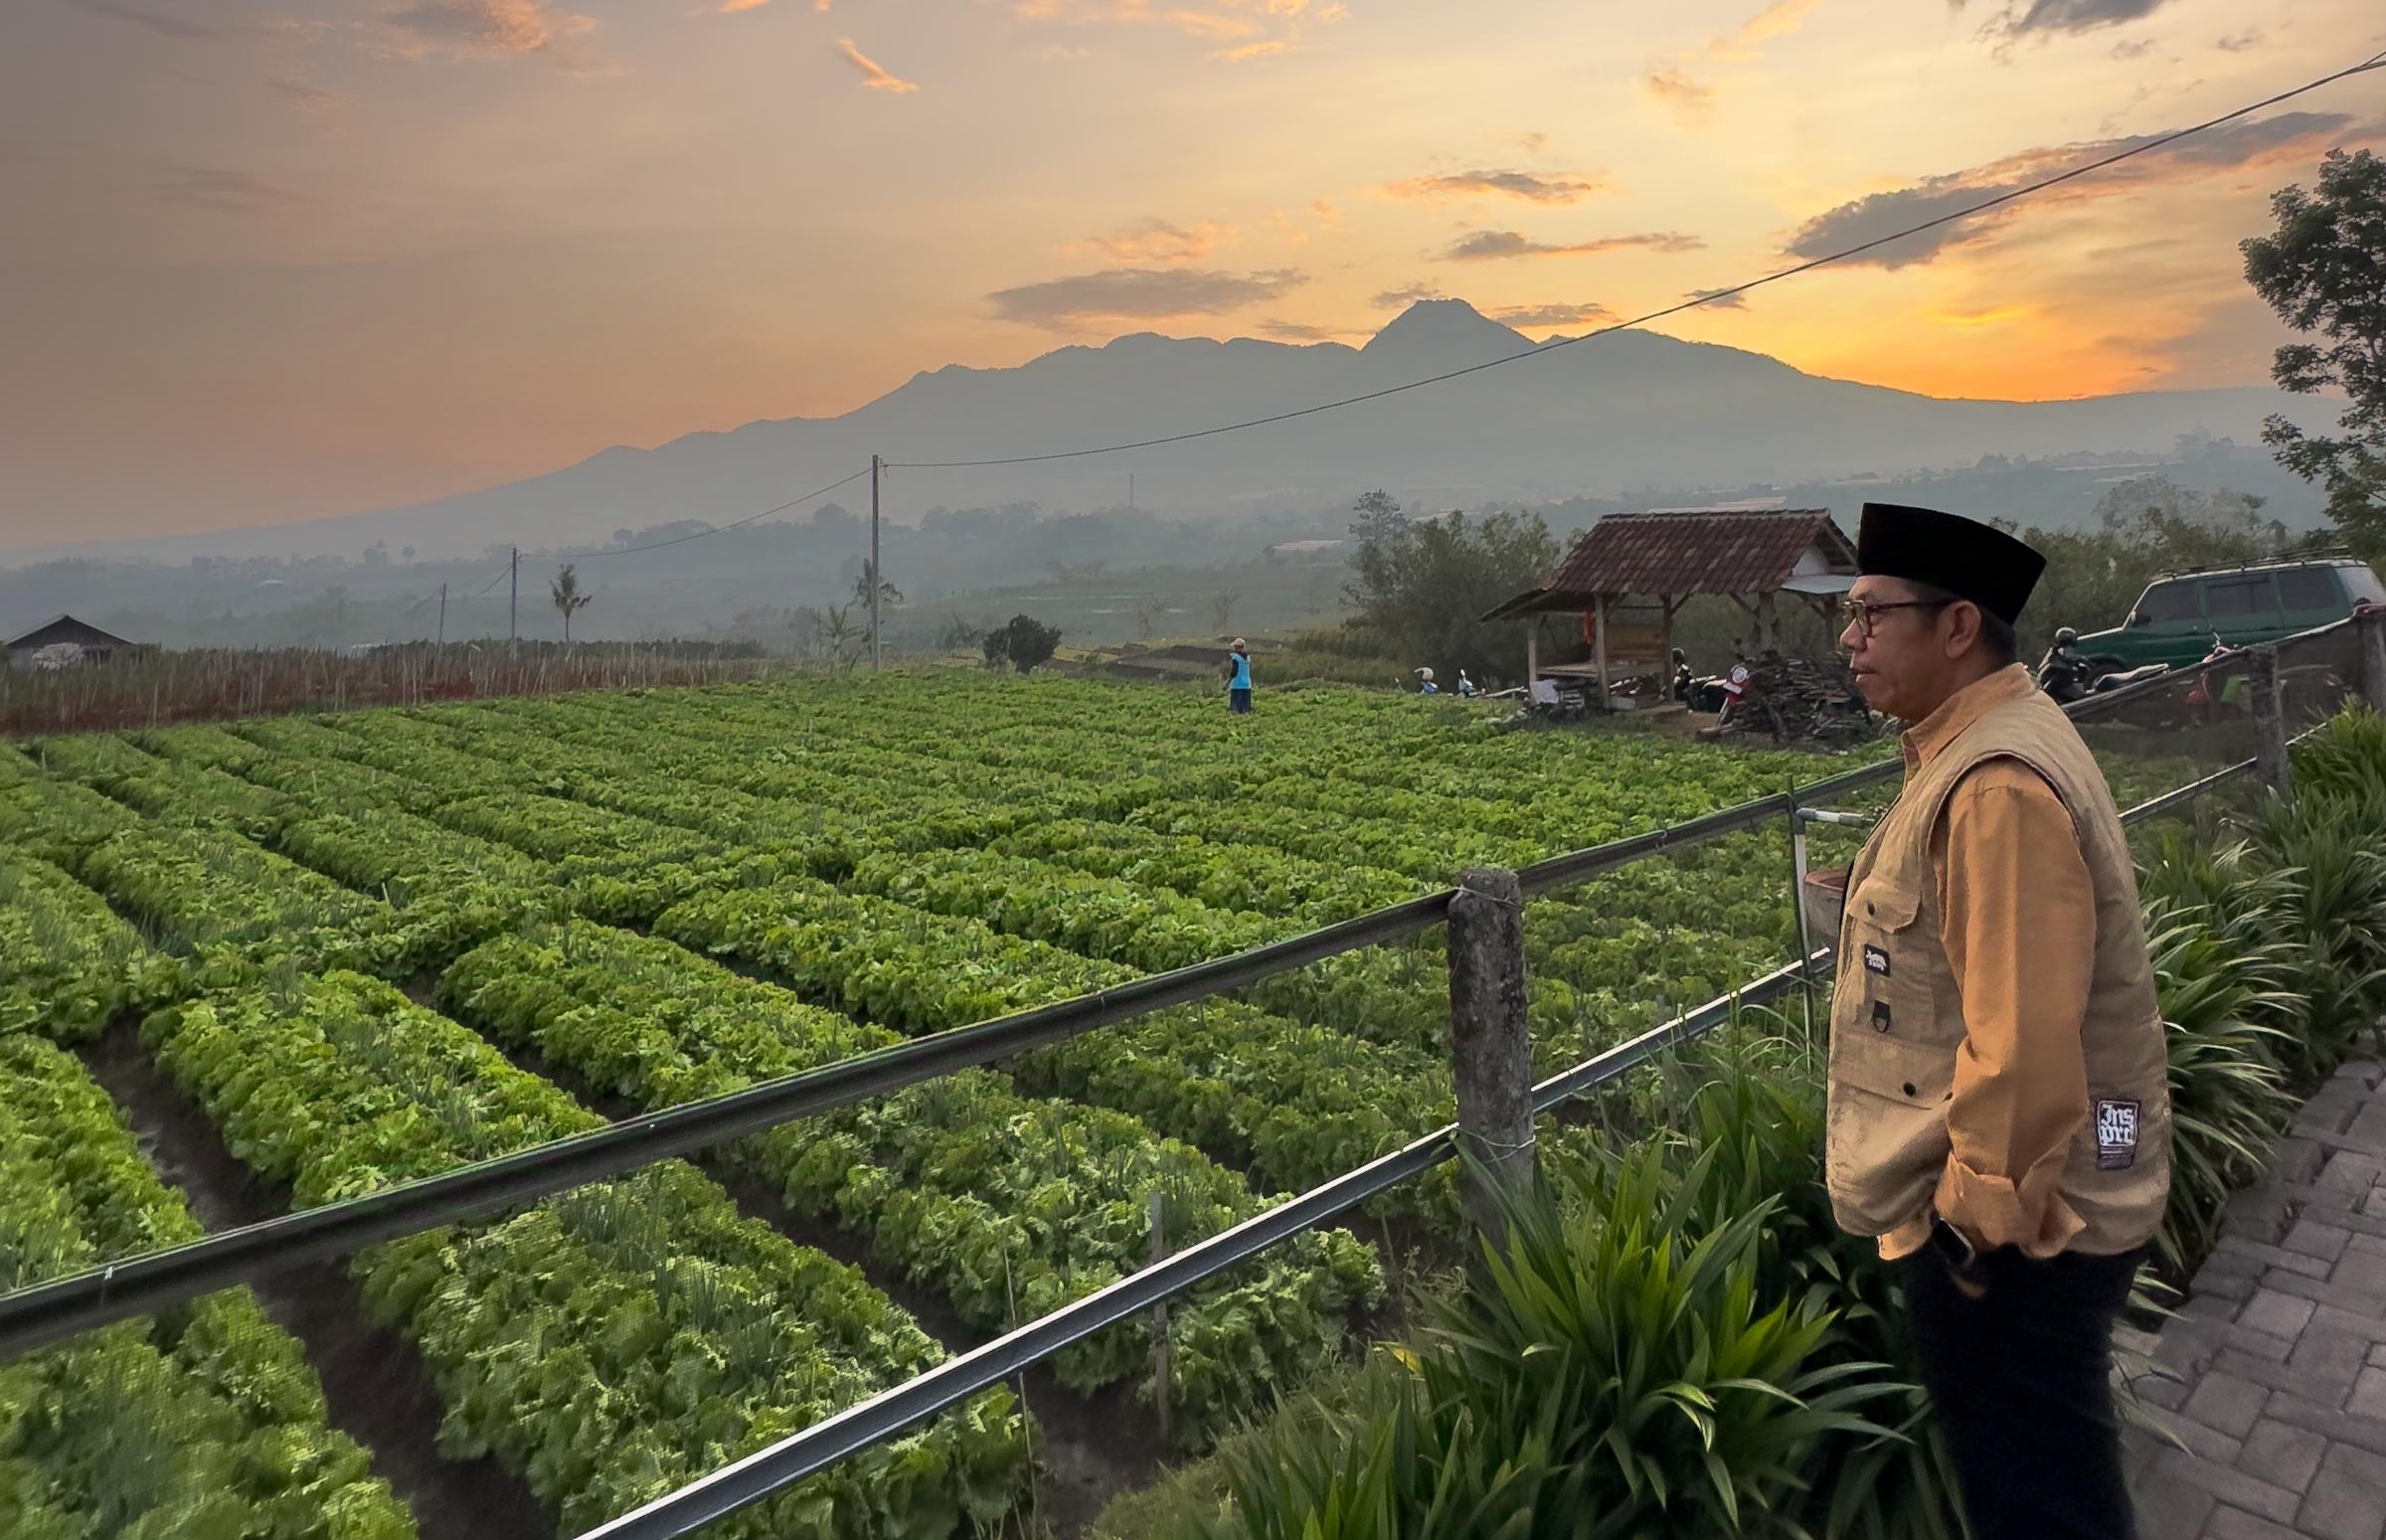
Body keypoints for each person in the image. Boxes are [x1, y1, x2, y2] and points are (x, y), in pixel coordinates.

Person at [1832, 501, 2169, 1540]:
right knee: (2046, 1459)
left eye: (1871, 614)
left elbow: (2020, 1043)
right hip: (2046, 1202)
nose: (1850, 639)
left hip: (2022, 1229)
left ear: (1959, 625)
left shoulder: (1994, 784)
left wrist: (1974, 1231)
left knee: (2036, 1488)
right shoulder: (1982, 743)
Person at [1224, 638, 1254, 714]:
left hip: (1237, 684)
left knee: (1235, 709)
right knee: (1246, 709)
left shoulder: (1236, 658)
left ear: (1236, 647)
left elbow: (1234, 672)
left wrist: (1227, 683)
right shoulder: (1247, 658)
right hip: (1247, 684)